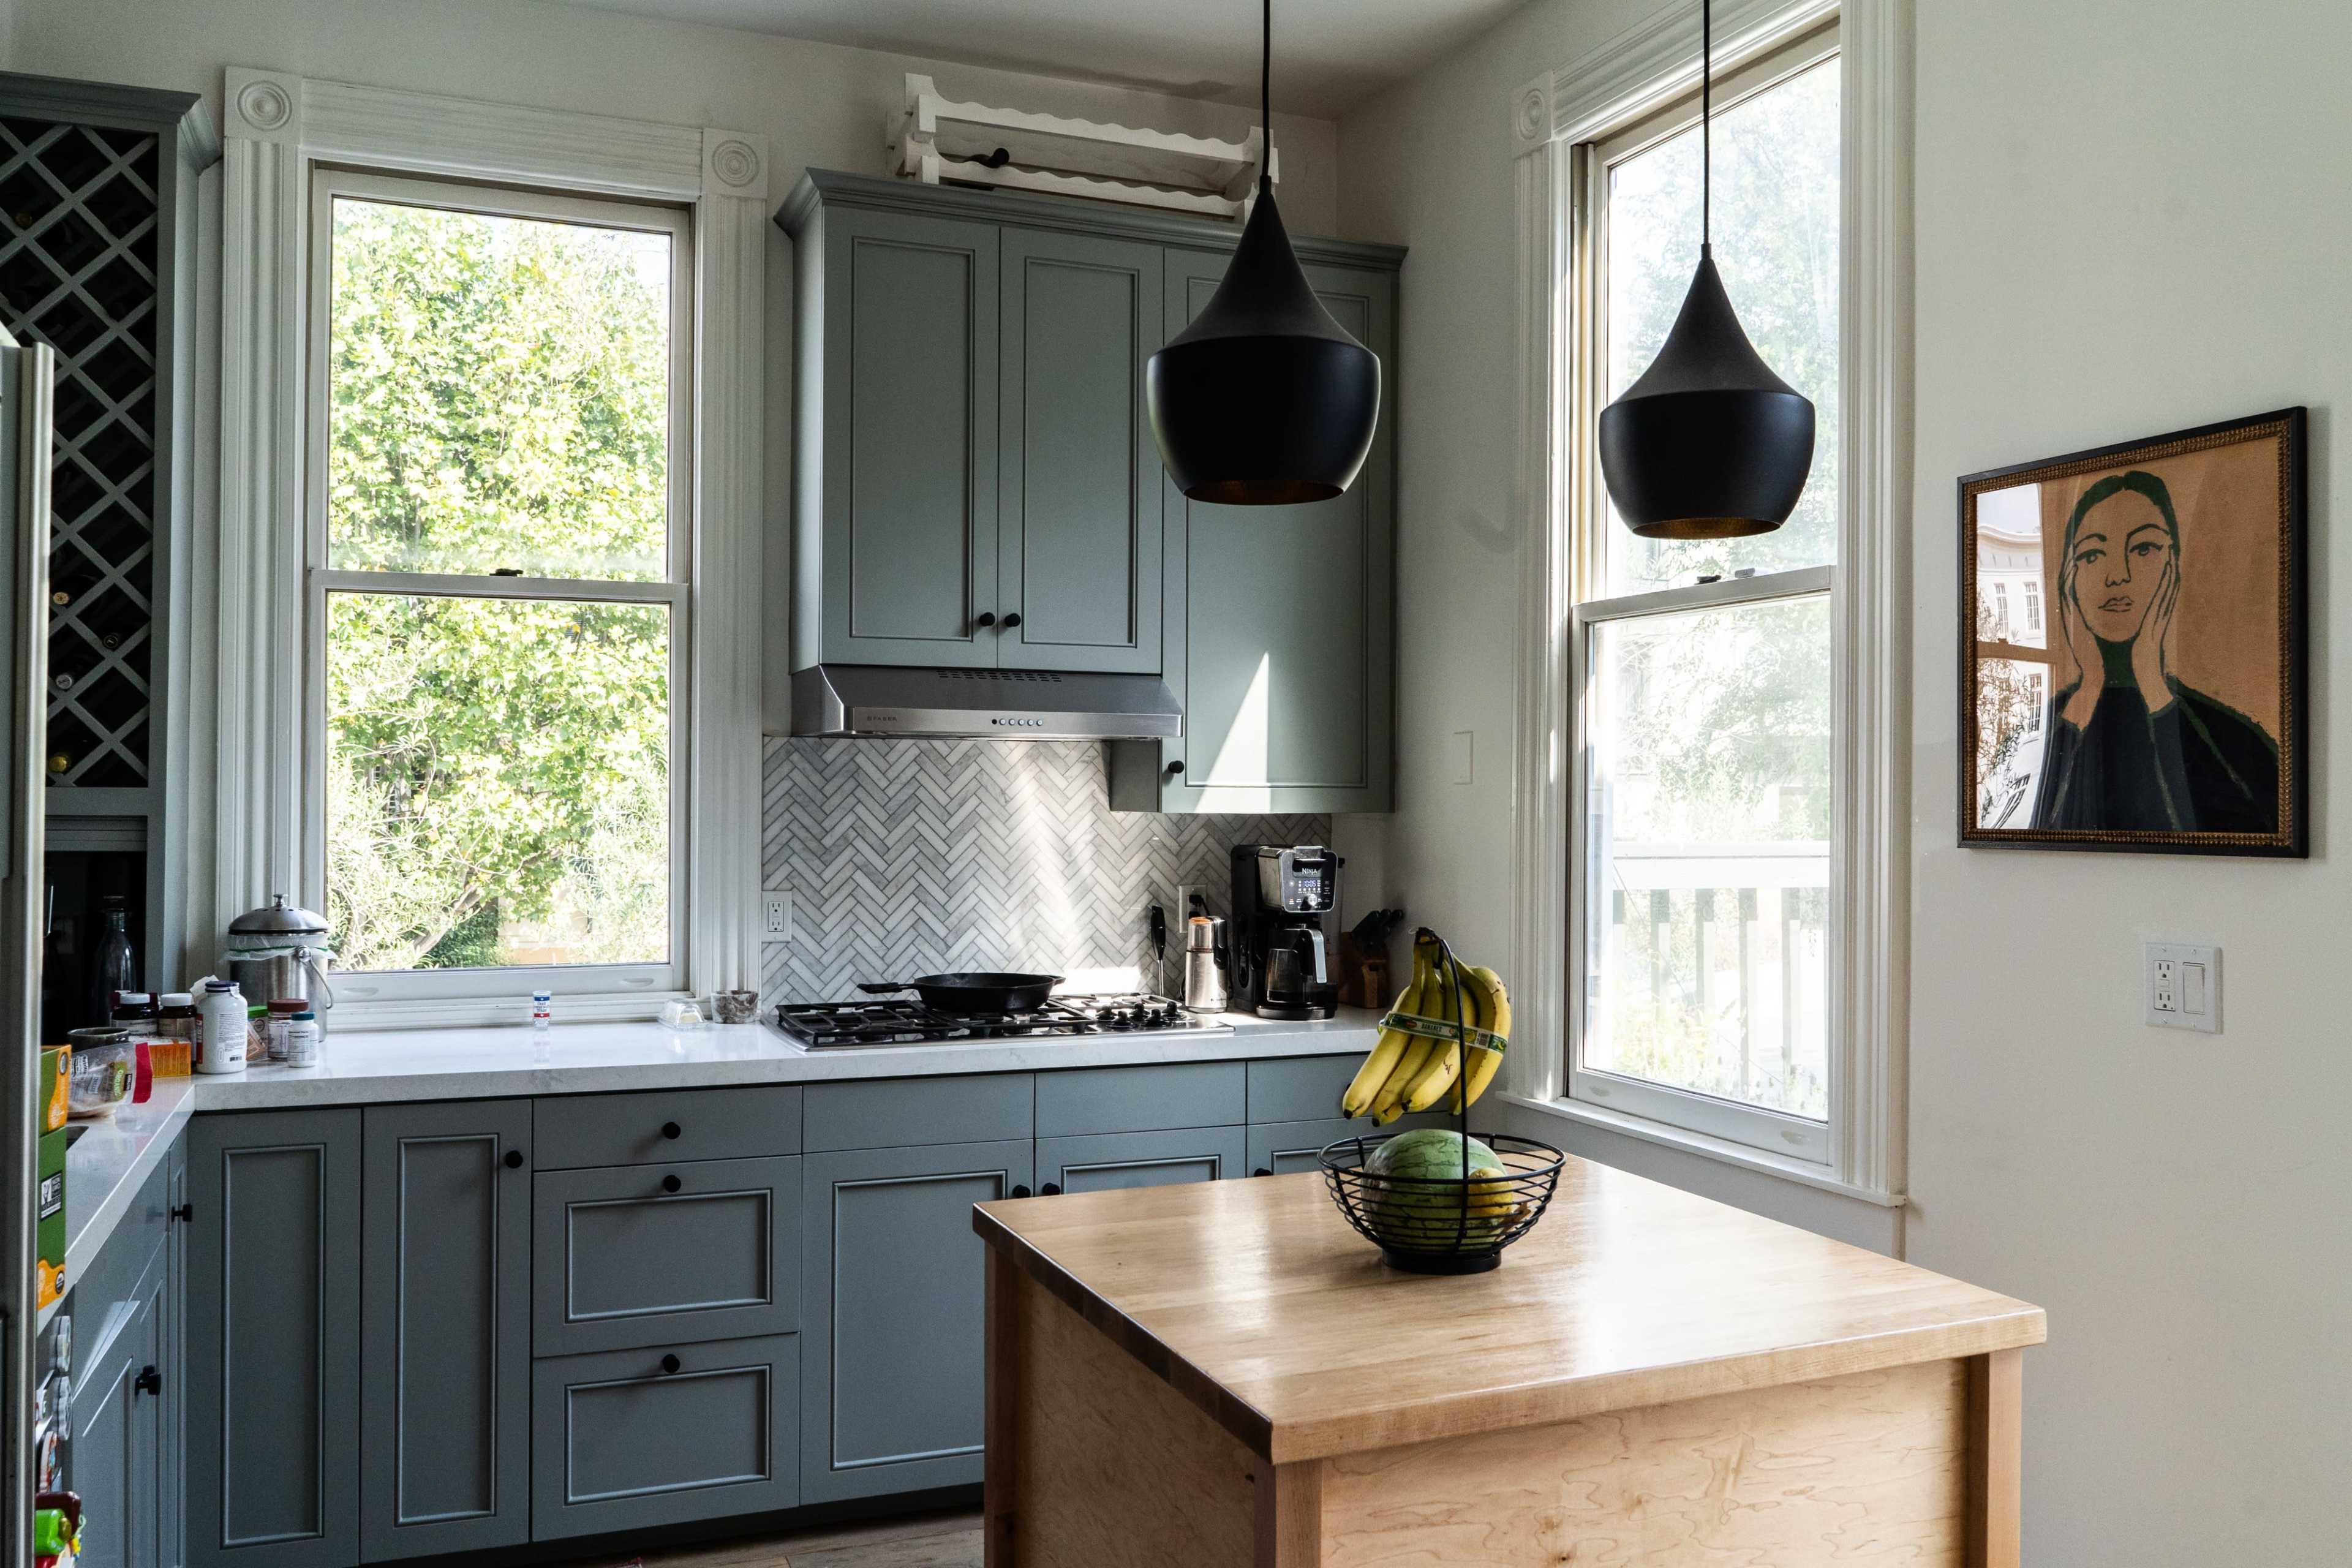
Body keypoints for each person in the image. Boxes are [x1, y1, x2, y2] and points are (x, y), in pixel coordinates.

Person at [2029, 470, 2278, 834]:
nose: (2117, 576)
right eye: (2093, 555)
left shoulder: (2232, 737)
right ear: (2070, 579)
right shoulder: (2043, 730)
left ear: (2173, 566)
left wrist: (2151, 679)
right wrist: (2091, 685)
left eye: (2144, 549)